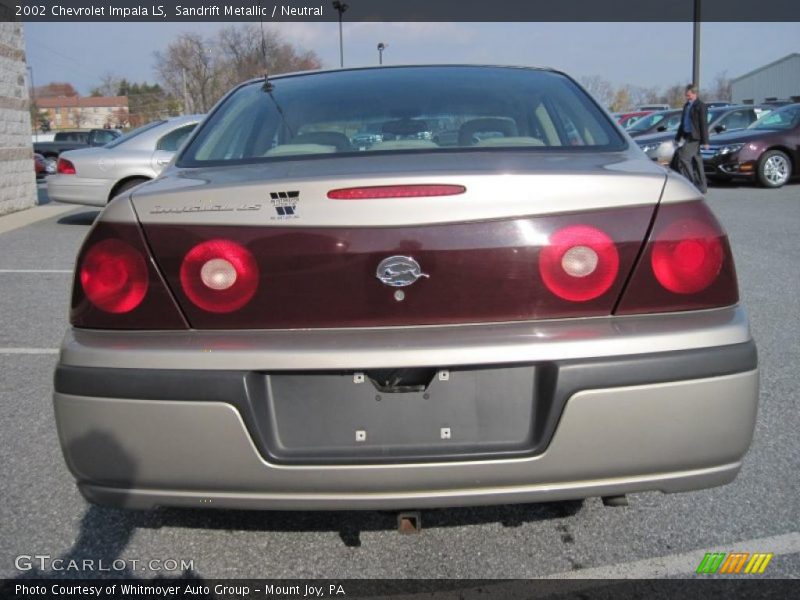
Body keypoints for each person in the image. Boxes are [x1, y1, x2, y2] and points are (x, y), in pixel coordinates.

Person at [673, 84, 709, 193]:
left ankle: (689, 183)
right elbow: (683, 123)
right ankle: (702, 186)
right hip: (687, 135)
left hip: (695, 137)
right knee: (697, 161)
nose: (687, 97)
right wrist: (677, 137)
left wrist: (706, 141)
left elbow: (703, 124)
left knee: (683, 157)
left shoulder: (700, 106)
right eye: (686, 95)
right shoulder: (686, 106)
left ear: (694, 93)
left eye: (689, 95)